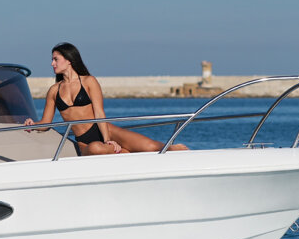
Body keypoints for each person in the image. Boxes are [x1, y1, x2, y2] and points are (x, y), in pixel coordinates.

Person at [24, 42, 187, 155]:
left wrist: (107, 139)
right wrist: (33, 124)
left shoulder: (89, 81)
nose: (52, 63)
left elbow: (99, 112)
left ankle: (173, 149)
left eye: (56, 59)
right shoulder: (54, 91)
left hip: (105, 130)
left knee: (151, 146)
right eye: (52, 60)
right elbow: (46, 122)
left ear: (69, 60)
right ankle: (124, 152)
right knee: (95, 149)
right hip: (84, 141)